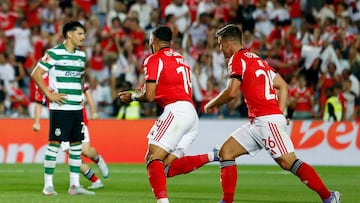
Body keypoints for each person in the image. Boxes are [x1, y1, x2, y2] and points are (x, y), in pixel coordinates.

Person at [204, 24, 341, 203]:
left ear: (229, 42)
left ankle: (329, 197)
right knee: (226, 152)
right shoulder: (256, 59)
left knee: (288, 162)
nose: (220, 48)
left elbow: (232, 92)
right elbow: (282, 85)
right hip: (258, 122)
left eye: (220, 44)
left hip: (267, 120)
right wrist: (282, 112)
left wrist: (210, 104)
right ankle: (226, 201)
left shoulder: (237, 59)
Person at [118, 25, 219, 203]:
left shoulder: (153, 59)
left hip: (176, 111)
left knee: (152, 157)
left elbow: (149, 96)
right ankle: (213, 155)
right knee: (164, 166)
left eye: (150, 40)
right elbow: (167, 87)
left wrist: (132, 96)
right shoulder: (182, 59)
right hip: (191, 115)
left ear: (154, 41)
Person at [30, 21, 95, 196]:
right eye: (80, 33)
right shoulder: (54, 53)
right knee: (54, 145)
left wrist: (80, 96)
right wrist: (49, 95)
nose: (83, 37)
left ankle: (74, 186)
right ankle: (48, 186)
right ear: (69, 34)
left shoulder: (81, 56)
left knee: (76, 146)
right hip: (60, 109)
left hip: (76, 108)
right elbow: (36, 73)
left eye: (83, 34)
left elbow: (81, 78)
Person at [32, 79, 109, 190]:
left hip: (77, 116)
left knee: (85, 151)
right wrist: (36, 122)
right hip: (59, 118)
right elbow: (39, 102)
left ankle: (97, 159)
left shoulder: (68, 69)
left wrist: (93, 111)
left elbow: (86, 91)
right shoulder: (42, 79)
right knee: (72, 154)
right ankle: (96, 181)